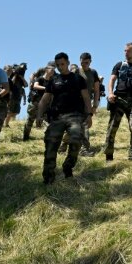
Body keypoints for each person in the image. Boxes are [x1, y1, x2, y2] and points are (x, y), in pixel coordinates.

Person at [37, 52, 92, 184]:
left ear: (67, 63)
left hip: (75, 116)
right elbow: (44, 100)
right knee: (50, 146)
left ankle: (68, 166)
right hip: (57, 117)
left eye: (62, 64)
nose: (60, 67)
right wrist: (39, 115)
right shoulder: (53, 80)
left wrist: (89, 115)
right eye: (58, 65)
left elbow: (86, 98)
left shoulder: (78, 79)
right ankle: (48, 179)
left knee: (76, 140)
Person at [104, 43, 132, 161]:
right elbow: (112, 80)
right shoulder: (119, 65)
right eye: (125, 51)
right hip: (119, 99)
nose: (126, 53)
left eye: (128, 51)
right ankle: (109, 156)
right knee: (112, 128)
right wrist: (110, 93)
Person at [23, 63, 55, 141]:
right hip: (35, 103)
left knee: (47, 122)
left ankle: (48, 138)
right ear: (46, 70)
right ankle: (26, 137)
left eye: (54, 70)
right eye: (52, 70)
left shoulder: (52, 80)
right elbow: (35, 86)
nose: (53, 71)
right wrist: (46, 88)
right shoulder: (40, 79)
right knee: (30, 120)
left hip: (45, 104)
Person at [4, 63, 28, 128]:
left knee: (16, 112)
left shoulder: (21, 79)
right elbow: (11, 83)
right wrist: (15, 75)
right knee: (10, 111)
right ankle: (6, 124)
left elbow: (26, 85)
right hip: (11, 96)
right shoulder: (11, 76)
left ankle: (7, 121)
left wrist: (22, 77)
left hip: (18, 97)